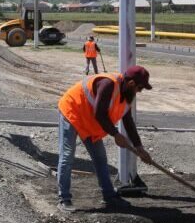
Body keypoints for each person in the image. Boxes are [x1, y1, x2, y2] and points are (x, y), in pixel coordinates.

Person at [56, 65, 154, 213]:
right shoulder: (108, 84)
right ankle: (64, 199)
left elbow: (128, 122)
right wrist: (115, 134)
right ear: (132, 83)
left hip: (89, 121)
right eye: (140, 88)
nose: (139, 92)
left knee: (100, 159)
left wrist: (139, 147)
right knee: (67, 156)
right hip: (73, 112)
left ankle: (109, 196)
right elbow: (100, 114)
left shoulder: (127, 95)